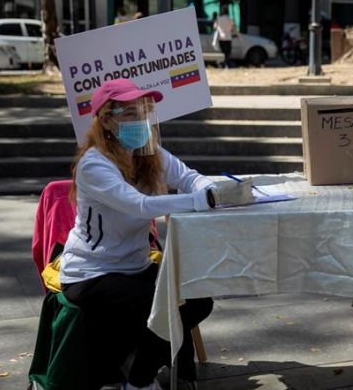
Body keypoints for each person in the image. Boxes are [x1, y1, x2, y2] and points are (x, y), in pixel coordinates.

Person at [58, 79, 253, 389]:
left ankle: (141, 373)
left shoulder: (148, 151)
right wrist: (197, 202)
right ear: (106, 120)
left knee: (198, 300)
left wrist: (210, 189)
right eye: (130, 113)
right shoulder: (94, 164)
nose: (141, 121)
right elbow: (140, 205)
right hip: (92, 273)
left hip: (135, 266)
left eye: (145, 112)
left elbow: (189, 178)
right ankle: (139, 381)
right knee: (169, 305)